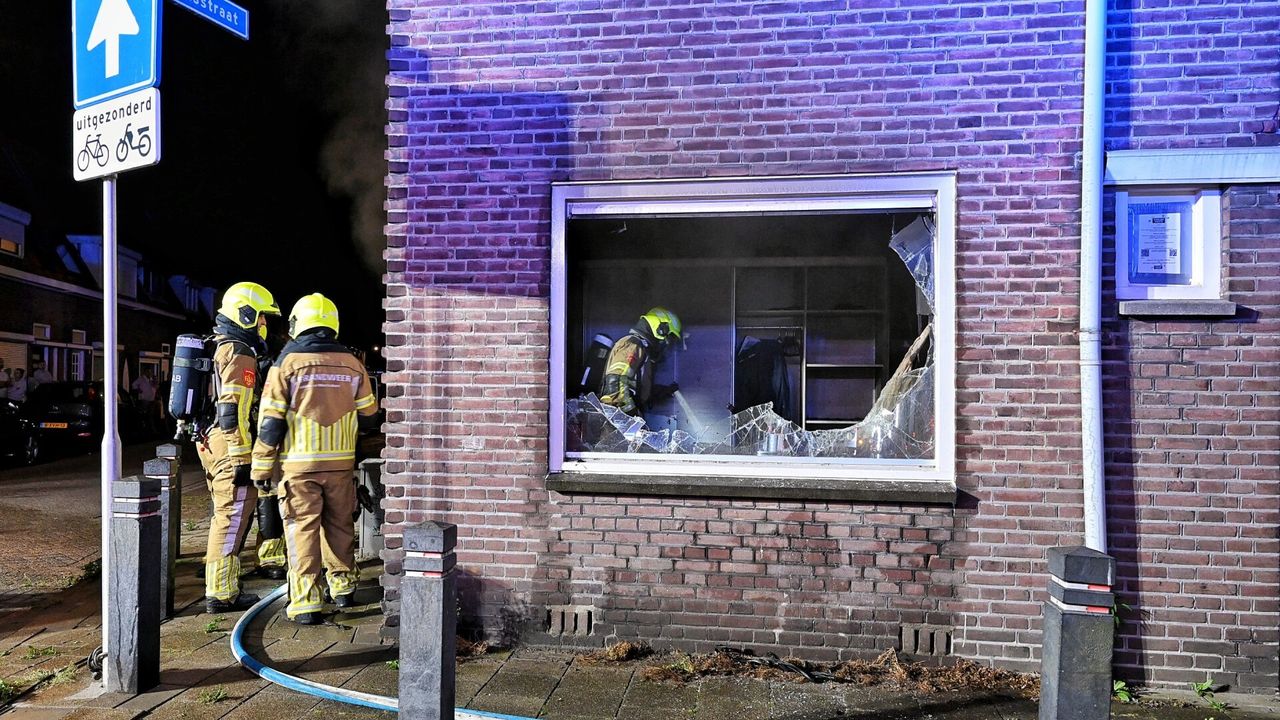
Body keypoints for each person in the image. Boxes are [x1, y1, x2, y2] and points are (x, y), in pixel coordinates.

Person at [251, 293, 379, 625]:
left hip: (298, 465)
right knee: (340, 524)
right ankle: (343, 587)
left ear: (298, 324)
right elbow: (369, 415)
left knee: (302, 529)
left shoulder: (286, 364)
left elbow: (270, 422)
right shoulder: (353, 363)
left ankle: (307, 601)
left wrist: (262, 465)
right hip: (340, 463)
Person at [198, 281, 287, 614]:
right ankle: (220, 592)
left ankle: (225, 584)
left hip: (210, 440)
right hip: (228, 444)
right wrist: (242, 459)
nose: (264, 324)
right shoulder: (239, 351)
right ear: (247, 314)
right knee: (232, 516)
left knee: (227, 514)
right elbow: (232, 409)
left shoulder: (219, 344)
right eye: (261, 318)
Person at [599, 307, 683, 416]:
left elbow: (638, 389)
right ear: (661, 329)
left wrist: (663, 391)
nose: (666, 342)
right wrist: (631, 414)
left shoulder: (642, 349)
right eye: (669, 336)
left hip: (621, 418)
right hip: (618, 419)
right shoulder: (633, 344)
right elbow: (616, 380)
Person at [131, 367, 159, 434]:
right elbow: (133, 385)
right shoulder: (141, 379)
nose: (149, 373)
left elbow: (156, 387)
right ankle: (144, 428)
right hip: (145, 399)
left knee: (151, 415)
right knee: (144, 414)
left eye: (150, 372)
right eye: (148, 372)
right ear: (145, 372)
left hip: (152, 399)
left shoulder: (152, 380)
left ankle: (151, 429)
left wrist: (155, 382)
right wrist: (138, 390)